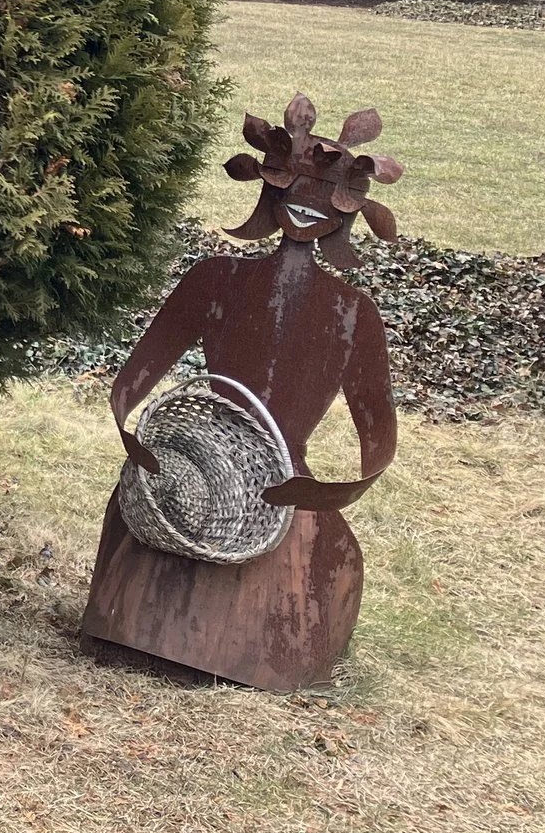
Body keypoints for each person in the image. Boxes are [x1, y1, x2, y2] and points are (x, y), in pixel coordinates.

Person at [81, 95, 399, 691]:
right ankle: (135, 624)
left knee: (320, 555)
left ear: (350, 214)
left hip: (286, 486)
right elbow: (139, 373)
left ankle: (266, 652)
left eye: (323, 200)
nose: (304, 211)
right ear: (267, 192)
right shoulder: (215, 279)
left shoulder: (353, 314)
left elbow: (376, 428)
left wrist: (337, 489)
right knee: (139, 517)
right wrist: (134, 440)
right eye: (292, 194)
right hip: (196, 469)